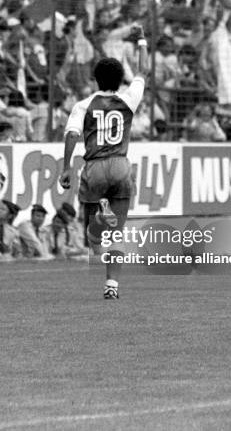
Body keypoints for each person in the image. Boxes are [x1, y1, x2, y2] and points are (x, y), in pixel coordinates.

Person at [59, 27, 148, 300]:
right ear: (122, 79)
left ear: (95, 78)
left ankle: (97, 246)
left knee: (93, 235)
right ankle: (112, 286)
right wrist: (142, 41)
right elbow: (144, 72)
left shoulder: (83, 105)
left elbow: (73, 135)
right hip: (121, 166)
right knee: (116, 234)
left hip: (95, 167)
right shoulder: (129, 99)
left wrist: (66, 168)